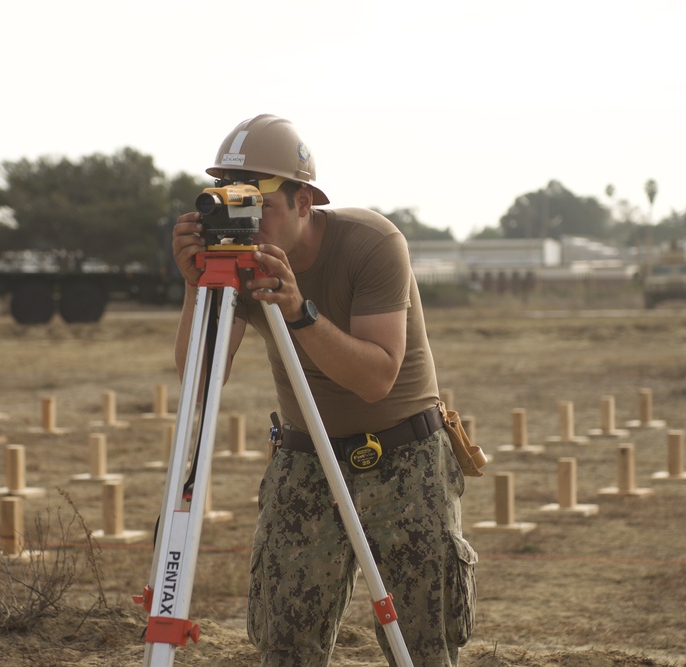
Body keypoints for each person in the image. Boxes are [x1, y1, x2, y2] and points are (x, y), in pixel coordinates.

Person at [171, 113, 477, 667]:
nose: (242, 214)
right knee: (286, 645)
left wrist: (298, 311)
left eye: (257, 197)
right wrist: (198, 285)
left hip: (403, 455)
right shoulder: (234, 265)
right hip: (306, 458)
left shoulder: (372, 243)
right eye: (226, 194)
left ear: (304, 201)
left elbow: (376, 378)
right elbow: (201, 381)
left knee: (424, 646)